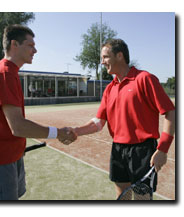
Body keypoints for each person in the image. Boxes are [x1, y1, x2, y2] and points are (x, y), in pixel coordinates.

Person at [0, 24, 76, 200]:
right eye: (30, 45)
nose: (35, 50)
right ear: (14, 44)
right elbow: (18, 126)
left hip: (9, 158)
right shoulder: (3, 74)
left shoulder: (8, 73)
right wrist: (58, 133)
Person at [67, 39, 175, 200]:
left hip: (142, 151)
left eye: (105, 57)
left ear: (119, 56)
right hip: (118, 149)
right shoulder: (110, 89)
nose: (102, 62)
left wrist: (163, 149)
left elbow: (171, 112)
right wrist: (75, 131)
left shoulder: (144, 79)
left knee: (142, 199)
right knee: (122, 197)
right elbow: (99, 122)